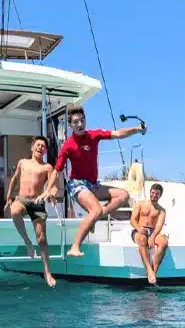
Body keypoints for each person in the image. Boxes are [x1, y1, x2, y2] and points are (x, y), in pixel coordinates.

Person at [45, 105, 145, 257]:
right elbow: (57, 170)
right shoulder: (68, 145)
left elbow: (118, 134)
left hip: (93, 184)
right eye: (76, 122)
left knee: (123, 196)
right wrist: (49, 188)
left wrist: (137, 128)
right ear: (71, 125)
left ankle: (93, 219)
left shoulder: (94, 135)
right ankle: (75, 246)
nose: (80, 124)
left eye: (82, 121)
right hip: (77, 184)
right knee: (96, 209)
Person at [4, 135, 58, 287]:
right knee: (14, 212)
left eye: (43, 146)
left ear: (46, 150)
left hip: (37, 203)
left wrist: (52, 194)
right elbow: (14, 179)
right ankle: (27, 241)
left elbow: (53, 186)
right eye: (38, 145)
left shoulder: (47, 167)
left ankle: (47, 272)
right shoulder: (23, 162)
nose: (41, 147)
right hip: (21, 199)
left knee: (42, 239)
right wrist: (9, 197)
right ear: (32, 147)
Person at [130, 183, 168, 284]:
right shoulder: (140, 204)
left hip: (152, 231)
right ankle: (148, 269)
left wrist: (153, 236)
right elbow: (132, 220)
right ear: (150, 192)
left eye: (157, 194)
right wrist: (138, 228)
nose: (154, 195)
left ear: (160, 195)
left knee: (164, 242)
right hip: (139, 230)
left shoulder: (161, 210)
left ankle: (153, 272)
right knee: (142, 240)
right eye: (153, 193)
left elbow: (159, 226)